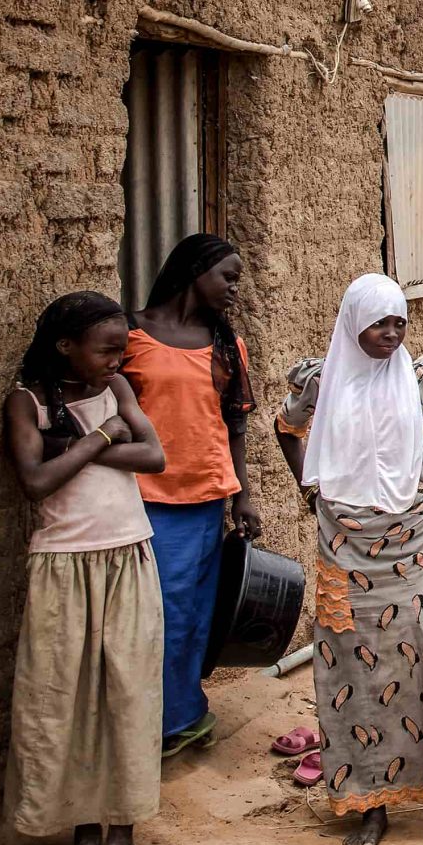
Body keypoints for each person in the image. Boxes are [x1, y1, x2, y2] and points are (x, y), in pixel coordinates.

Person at [276, 274, 423, 845]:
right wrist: (314, 490)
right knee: (355, 678)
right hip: (346, 551)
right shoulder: (323, 381)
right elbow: (287, 429)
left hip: (413, 550)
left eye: (398, 322)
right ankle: (369, 806)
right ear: (354, 323)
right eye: (379, 322)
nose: (390, 333)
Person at [3, 292, 170, 845]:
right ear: (64, 346)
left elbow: (153, 455)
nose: (116, 361)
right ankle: (82, 836)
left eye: (121, 349)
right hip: (62, 568)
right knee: (66, 699)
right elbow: (35, 480)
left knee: (129, 693)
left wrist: (73, 450)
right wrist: (101, 439)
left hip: (128, 555)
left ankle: (121, 841)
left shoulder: (118, 389)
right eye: (105, 350)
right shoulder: (27, 402)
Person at [125, 233, 258, 756]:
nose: (233, 289)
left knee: (191, 615)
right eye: (226, 276)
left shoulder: (227, 345)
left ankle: (178, 717)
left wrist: (242, 496)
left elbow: (235, 426)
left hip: (203, 497)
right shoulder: (132, 335)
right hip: (142, 497)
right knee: (151, 612)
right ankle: (146, 721)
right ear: (194, 270)